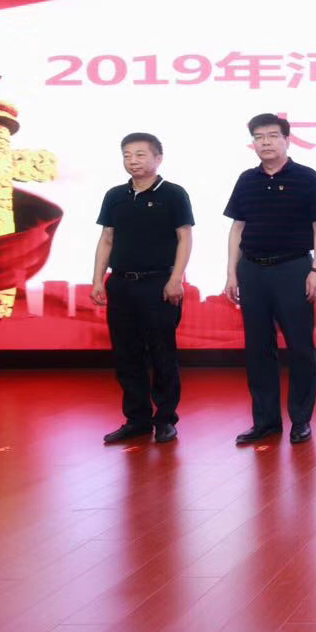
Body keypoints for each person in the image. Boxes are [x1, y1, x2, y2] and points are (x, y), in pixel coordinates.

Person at [224, 113, 316, 446]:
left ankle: (301, 419)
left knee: (300, 347)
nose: (266, 142)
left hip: (293, 269)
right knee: (258, 349)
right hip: (252, 270)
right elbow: (238, 227)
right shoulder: (246, 180)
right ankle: (266, 421)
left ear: (287, 140)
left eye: (272, 136)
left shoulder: (307, 178)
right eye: (259, 137)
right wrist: (231, 271)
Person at [92, 132, 193, 445]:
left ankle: (165, 419)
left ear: (157, 158)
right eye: (127, 155)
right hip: (121, 284)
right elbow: (107, 238)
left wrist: (176, 278)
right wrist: (97, 279)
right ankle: (137, 420)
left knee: (162, 353)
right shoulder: (115, 195)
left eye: (140, 154)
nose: (132, 161)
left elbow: (184, 237)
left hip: (158, 284)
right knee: (127, 355)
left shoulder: (173, 194)